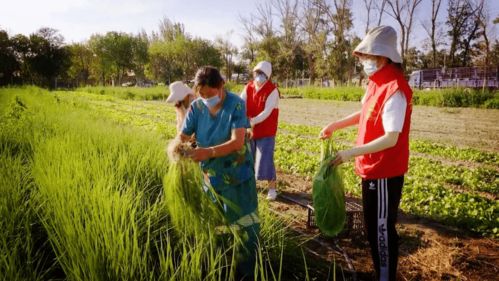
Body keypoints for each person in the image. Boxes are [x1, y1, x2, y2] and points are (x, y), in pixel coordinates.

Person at [319, 26, 412, 281]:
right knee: (374, 227)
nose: (364, 63)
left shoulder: (395, 88)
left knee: (381, 229)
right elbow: (366, 114)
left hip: (384, 172)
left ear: (383, 57)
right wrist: (335, 125)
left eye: (368, 57)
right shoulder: (376, 83)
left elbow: (391, 138)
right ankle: (382, 272)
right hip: (371, 168)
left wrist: (350, 153)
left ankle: (385, 276)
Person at [178, 66, 259, 280]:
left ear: (221, 85)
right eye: (201, 94)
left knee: (244, 226)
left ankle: (245, 273)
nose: (205, 98)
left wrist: (208, 152)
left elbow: (237, 141)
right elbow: (184, 137)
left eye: (209, 94)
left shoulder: (236, 105)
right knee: (217, 226)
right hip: (211, 178)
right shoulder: (197, 108)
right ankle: (222, 267)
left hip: (237, 176)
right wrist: (179, 147)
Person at [240, 61, 280, 200]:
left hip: (266, 130)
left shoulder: (272, 90)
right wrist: (242, 120)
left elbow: (267, 112)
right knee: (249, 158)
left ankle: (272, 189)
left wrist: (251, 121)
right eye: (257, 73)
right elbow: (241, 103)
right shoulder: (248, 87)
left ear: (267, 76)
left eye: (262, 74)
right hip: (250, 130)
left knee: (266, 158)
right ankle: (250, 186)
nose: (259, 76)